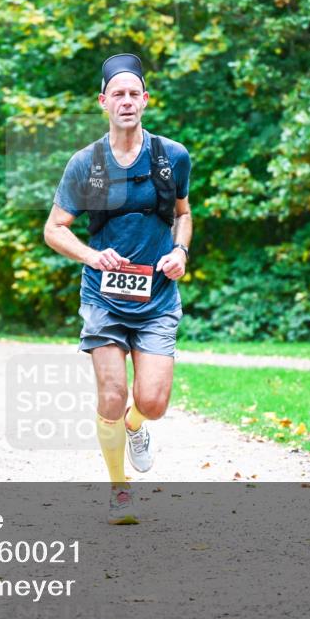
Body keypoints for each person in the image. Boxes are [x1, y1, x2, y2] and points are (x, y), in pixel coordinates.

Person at [43, 53, 192, 525]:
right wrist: (91, 256)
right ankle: (119, 490)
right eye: (117, 94)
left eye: (133, 94)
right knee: (111, 393)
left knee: (152, 403)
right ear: (103, 101)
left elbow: (184, 214)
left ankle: (136, 426)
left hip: (156, 297)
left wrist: (180, 252)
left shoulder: (171, 157)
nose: (126, 101)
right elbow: (54, 229)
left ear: (145, 100)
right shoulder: (85, 163)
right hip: (103, 297)